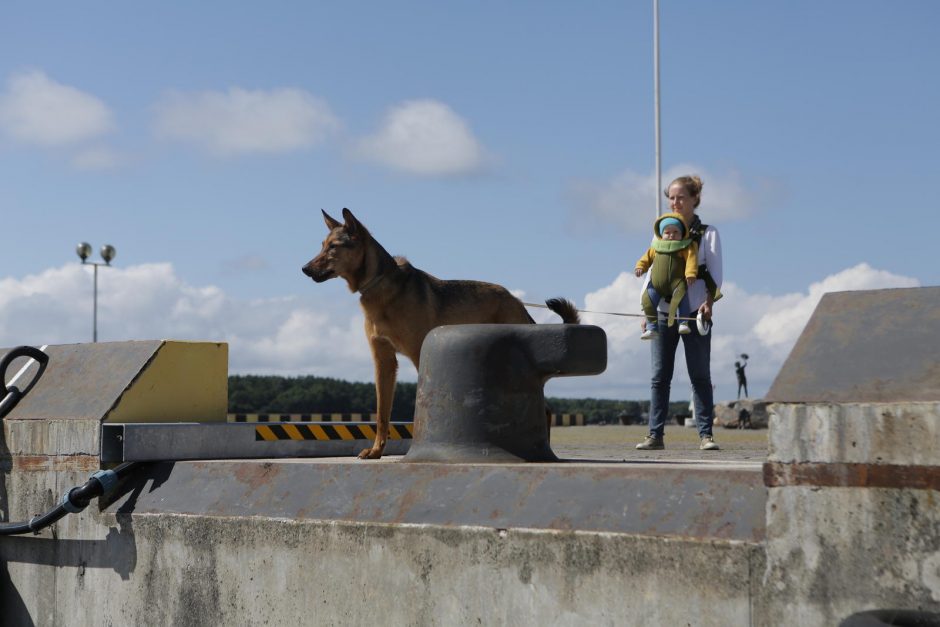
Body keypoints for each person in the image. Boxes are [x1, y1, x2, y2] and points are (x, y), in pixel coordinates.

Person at [636, 175, 723, 452]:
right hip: (662, 312)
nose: (675, 202)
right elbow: (652, 274)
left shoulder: (708, 233)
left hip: (695, 311)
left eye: (681, 197)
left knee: (699, 375)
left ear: (694, 199)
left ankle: (706, 435)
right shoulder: (661, 231)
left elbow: (716, 273)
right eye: (671, 198)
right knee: (659, 376)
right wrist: (645, 312)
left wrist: (709, 302)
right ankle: (654, 435)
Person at [633, 213, 698, 340]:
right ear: (662, 234)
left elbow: (691, 260)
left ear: (681, 233)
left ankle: (683, 322)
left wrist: (691, 273)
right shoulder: (655, 247)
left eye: (675, 232)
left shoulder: (685, 247)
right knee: (647, 300)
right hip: (656, 285)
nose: (672, 235)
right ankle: (652, 328)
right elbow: (645, 259)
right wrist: (640, 267)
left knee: (682, 298)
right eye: (667, 232)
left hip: (677, 283)